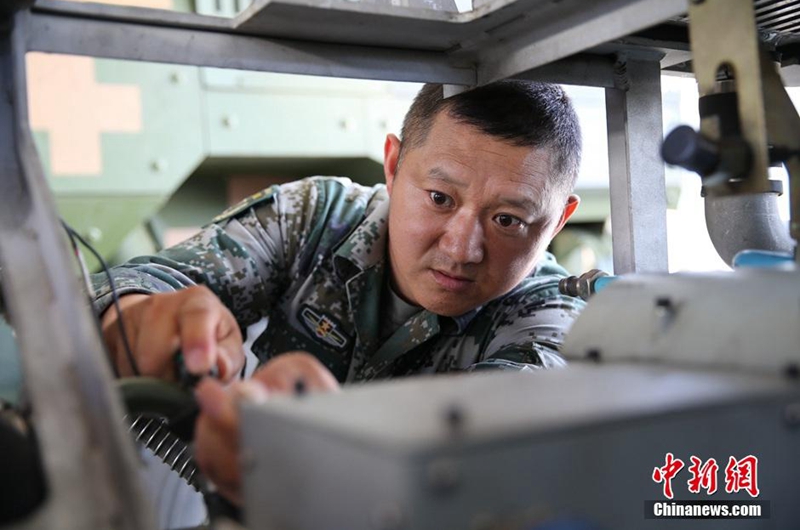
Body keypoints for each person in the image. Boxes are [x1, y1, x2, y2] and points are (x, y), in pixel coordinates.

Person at [92, 81, 584, 503]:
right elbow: (121, 291)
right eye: (439, 198)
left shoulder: (552, 320)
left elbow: (492, 462)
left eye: (507, 220)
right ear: (392, 166)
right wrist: (133, 321)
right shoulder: (315, 218)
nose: (461, 248)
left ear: (558, 220)